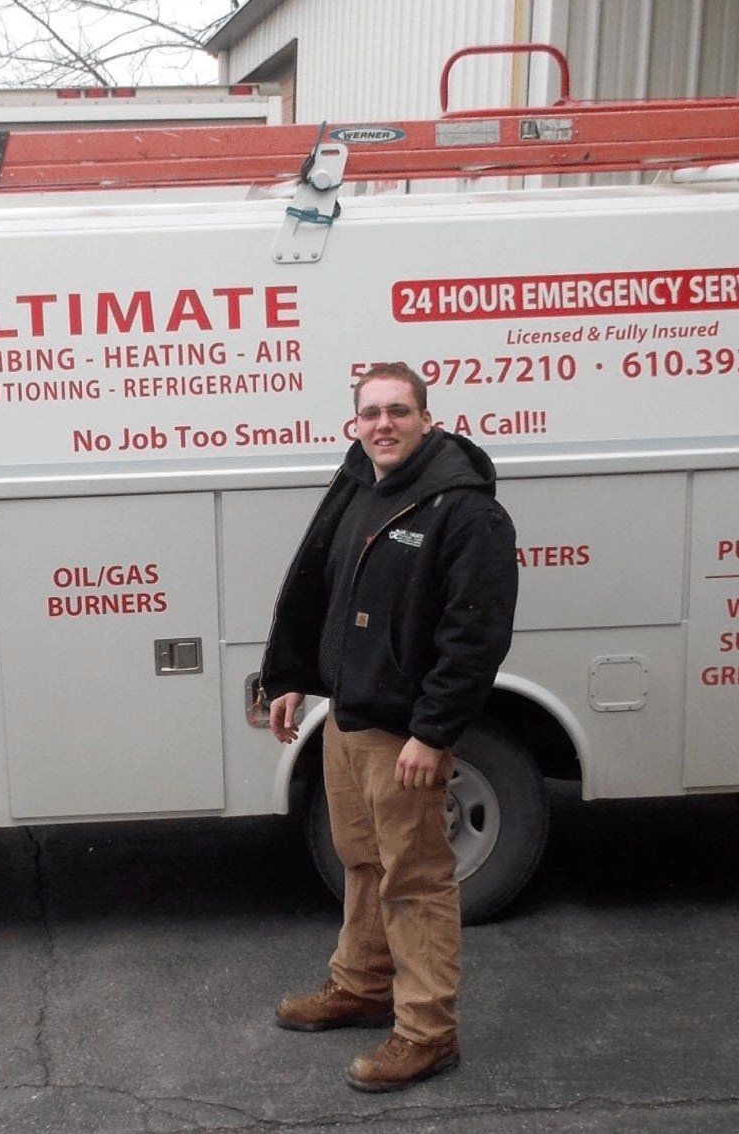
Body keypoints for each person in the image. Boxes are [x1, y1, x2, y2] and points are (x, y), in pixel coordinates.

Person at [260, 361, 518, 1092]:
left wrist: (434, 732)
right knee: (362, 861)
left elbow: (475, 636)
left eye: (398, 411)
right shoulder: (362, 487)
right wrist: (288, 676)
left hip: (404, 734)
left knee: (417, 880)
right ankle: (364, 985)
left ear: (427, 419)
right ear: (355, 423)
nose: (382, 425)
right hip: (348, 717)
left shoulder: (463, 511)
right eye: (370, 413)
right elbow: (314, 584)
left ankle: (427, 1033)